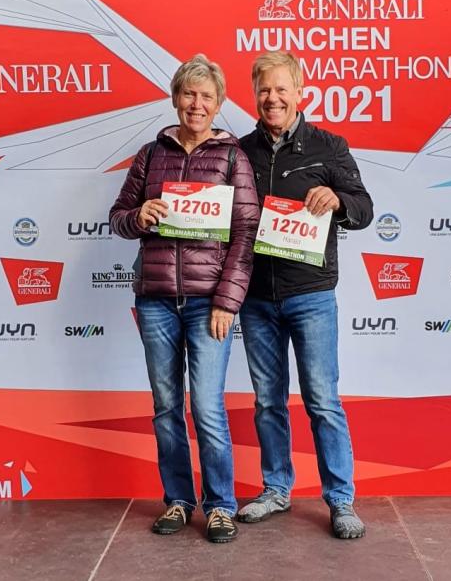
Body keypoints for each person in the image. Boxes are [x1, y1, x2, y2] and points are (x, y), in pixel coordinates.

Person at [109, 54, 260, 543]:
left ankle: (220, 506)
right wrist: (139, 216)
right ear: (176, 98)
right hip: (155, 301)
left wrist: (227, 302)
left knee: (208, 407)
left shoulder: (233, 157)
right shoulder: (150, 154)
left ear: (218, 104)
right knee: (166, 407)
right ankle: (177, 499)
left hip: (207, 303)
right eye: (190, 94)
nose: (197, 104)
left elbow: (245, 234)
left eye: (207, 96)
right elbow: (118, 217)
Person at [237, 51, 374, 539]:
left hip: (311, 295)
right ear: (255, 95)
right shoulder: (240, 151)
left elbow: (364, 207)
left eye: (281, 89)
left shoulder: (329, 146)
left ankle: (340, 500)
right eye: (264, 90)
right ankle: (276, 490)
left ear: (299, 93)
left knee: (321, 400)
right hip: (255, 298)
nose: (272, 98)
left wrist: (338, 200)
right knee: (267, 401)